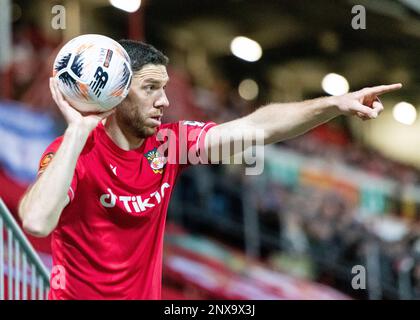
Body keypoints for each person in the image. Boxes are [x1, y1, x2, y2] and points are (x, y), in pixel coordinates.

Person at [18, 39, 401, 299]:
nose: (165, 100)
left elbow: (256, 128)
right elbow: (36, 221)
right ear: (115, 92)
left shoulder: (169, 146)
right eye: (150, 87)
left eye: (164, 88)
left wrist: (334, 104)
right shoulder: (72, 154)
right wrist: (80, 129)